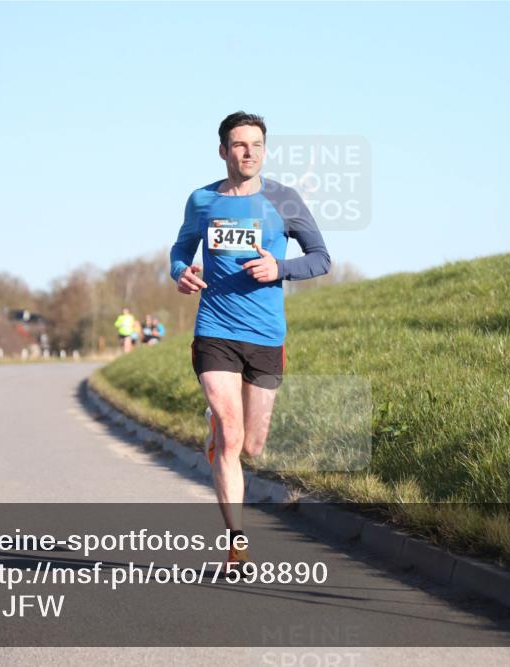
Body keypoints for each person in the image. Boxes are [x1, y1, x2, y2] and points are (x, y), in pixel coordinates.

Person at [169, 111, 330, 575]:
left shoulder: (284, 200)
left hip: (265, 336)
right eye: (240, 145)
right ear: (223, 151)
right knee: (231, 433)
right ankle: (236, 545)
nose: (249, 152)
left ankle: (219, 430)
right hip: (215, 330)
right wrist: (181, 272)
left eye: (257, 144)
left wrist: (279, 268)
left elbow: (321, 258)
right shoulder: (202, 200)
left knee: (253, 447)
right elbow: (181, 250)